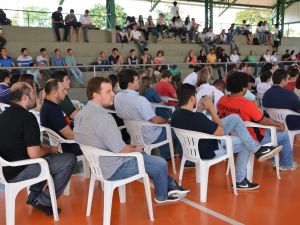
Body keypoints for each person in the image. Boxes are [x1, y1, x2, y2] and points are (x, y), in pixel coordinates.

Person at [74, 76, 189, 203]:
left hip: (97, 165)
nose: (113, 94)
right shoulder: (103, 118)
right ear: (95, 95)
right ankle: (162, 195)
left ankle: (170, 186)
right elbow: (122, 149)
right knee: (160, 162)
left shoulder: (80, 114)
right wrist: (135, 148)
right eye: (108, 92)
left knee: (146, 156)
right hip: (115, 168)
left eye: (112, 90)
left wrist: (135, 149)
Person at [171, 83, 283, 190]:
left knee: (235, 118)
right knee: (246, 142)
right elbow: (221, 132)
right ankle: (240, 180)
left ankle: (257, 149)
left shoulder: (176, 115)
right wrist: (211, 109)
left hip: (192, 149)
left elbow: (194, 123)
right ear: (192, 99)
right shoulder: (199, 118)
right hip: (210, 150)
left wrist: (200, 111)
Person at [0, 81, 76, 215]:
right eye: (33, 93)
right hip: (20, 170)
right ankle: (44, 201)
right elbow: (34, 154)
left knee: (49, 158)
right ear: (25, 98)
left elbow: (18, 141)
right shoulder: (27, 117)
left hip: (6, 169)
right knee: (69, 159)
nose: (37, 97)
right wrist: (50, 150)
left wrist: (44, 148)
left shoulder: (3, 115)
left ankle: (34, 196)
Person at [218, 71, 297, 170]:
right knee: (284, 135)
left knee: (270, 130)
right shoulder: (247, 104)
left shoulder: (221, 100)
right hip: (254, 138)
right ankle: (286, 164)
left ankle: (273, 159)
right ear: (243, 89)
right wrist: (279, 124)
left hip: (232, 136)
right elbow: (263, 120)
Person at [114, 69, 180, 160]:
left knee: (164, 128)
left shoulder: (117, 97)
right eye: (137, 80)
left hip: (133, 134)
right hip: (149, 136)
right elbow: (155, 120)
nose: (139, 82)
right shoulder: (139, 100)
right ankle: (169, 157)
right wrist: (168, 121)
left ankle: (165, 156)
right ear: (130, 84)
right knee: (177, 129)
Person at [40, 79, 82, 156]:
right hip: (69, 146)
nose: (66, 93)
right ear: (54, 93)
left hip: (66, 143)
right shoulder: (52, 110)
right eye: (63, 90)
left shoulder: (50, 106)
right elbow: (70, 136)